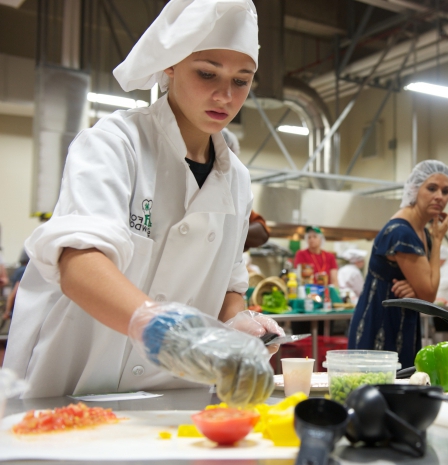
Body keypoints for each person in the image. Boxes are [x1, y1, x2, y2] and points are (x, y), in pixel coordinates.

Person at [4, 0, 283, 403]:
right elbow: (77, 262)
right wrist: (157, 325)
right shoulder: (115, 143)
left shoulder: (236, 178)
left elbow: (228, 285)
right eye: (207, 73)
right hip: (75, 382)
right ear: (170, 64)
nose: (225, 95)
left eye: (241, 81)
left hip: (169, 391)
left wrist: (236, 324)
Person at [348, 160, 448, 368]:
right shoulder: (401, 233)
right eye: (431, 188)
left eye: (446, 191)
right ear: (414, 189)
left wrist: (416, 290)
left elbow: (424, 293)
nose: (439, 196)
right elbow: (430, 294)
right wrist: (439, 240)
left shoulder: (422, 232)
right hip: (381, 324)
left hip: (403, 323)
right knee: (377, 392)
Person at [2, 250, 29, 321]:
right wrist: (7, 311)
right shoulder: (24, 270)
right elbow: (15, 292)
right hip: (21, 309)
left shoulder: (19, 270)